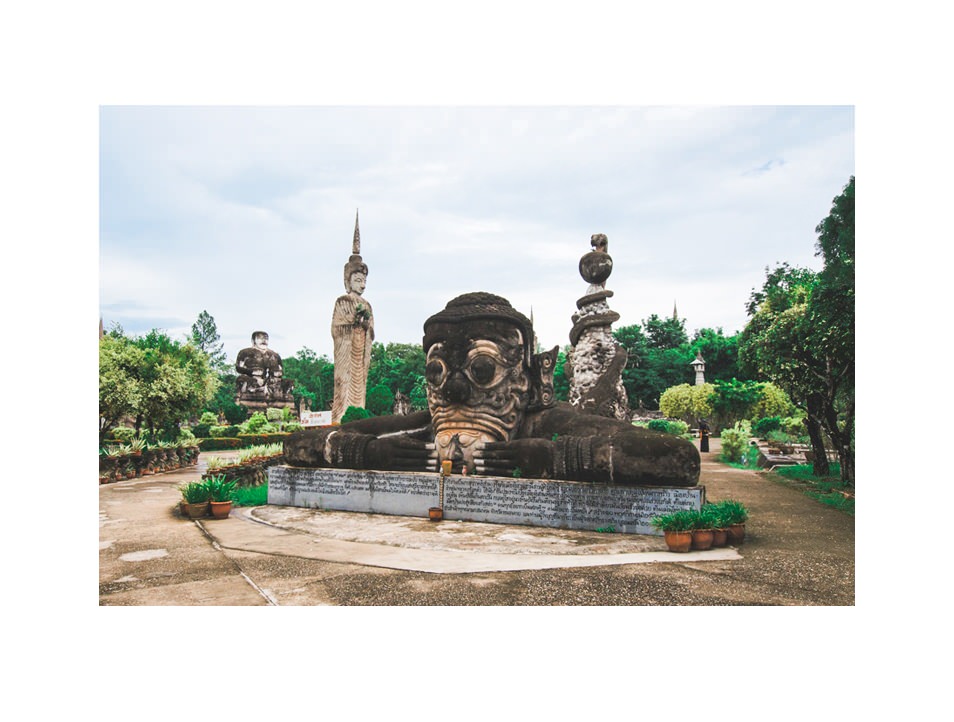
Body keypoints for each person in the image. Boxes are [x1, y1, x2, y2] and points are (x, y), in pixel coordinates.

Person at [286, 292, 699, 487]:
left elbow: (677, 458)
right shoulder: (429, 423)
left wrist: (555, 457)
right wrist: (368, 452)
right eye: (437, 372)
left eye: (483, 370)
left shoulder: (542, 423)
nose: (455, 391)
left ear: (526, 377)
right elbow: (297, 445)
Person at [331, 259, 374, 423]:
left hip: (360, 350)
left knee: (360, 383)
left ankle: (359, 413)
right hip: (346, 351)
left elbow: (371, 331)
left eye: (364, 281)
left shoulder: (367, 305)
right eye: (358, 280)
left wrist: (365, 325)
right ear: (348, 281)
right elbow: (336, 328)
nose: (362, 285)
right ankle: (342, 416)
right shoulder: (343, 301)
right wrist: (353, 322)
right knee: (344, 383)